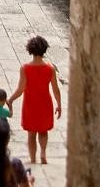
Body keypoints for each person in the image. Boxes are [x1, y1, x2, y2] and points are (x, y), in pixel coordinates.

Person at [8, 35, 62, 165]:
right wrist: (59, 104)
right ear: (44, 50)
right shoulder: (50, 69)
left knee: (31, 134)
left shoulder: (25, 68)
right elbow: (55, 89)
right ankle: (43, 153)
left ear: (30, 50)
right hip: (45, 102)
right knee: (43, 131)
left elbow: (21, 89)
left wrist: (10, 99)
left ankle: (33, 159)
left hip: (30, 104)